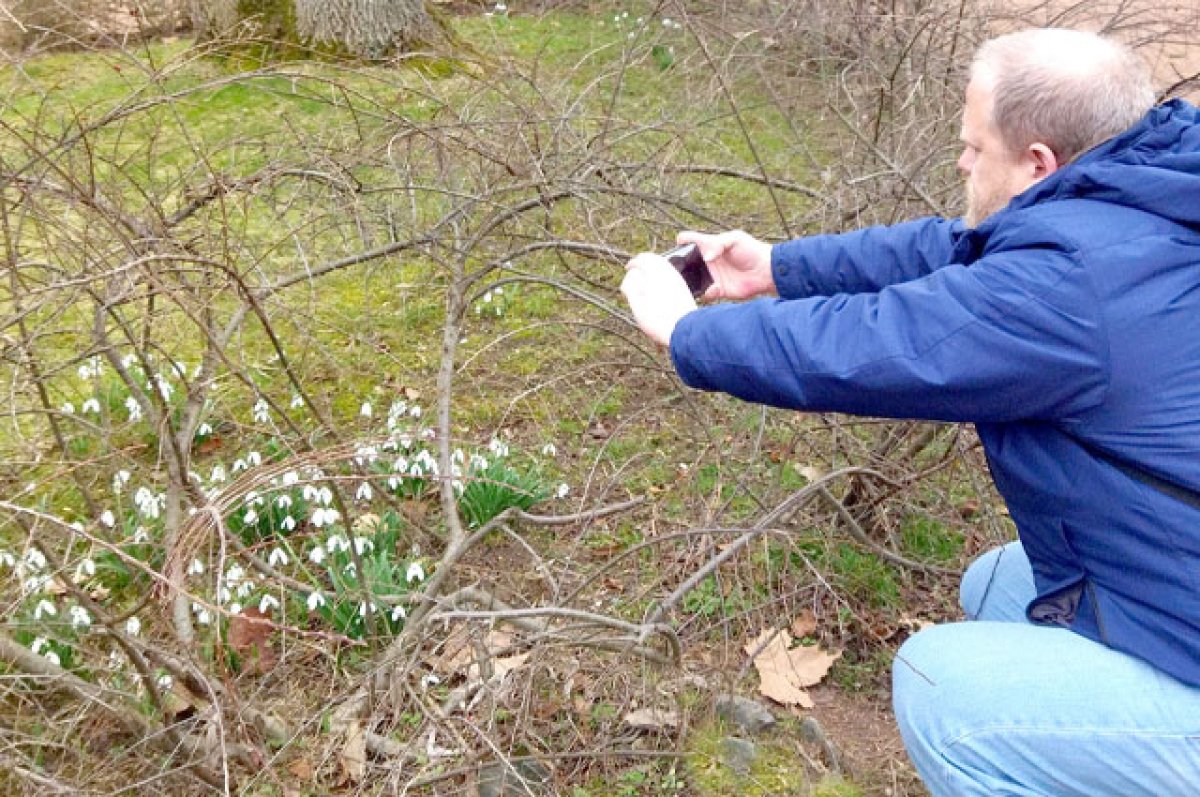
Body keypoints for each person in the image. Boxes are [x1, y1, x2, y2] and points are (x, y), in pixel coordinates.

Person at [621, 27, 1200, 797]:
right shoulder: (1142, 187)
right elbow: (957, 250)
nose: (961, 161)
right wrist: (777, 267)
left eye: (974, 146)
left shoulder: (1069, 290)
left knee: (937, 685)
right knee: (1000, 585)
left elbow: (876, 345)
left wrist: (689, 332)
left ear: (1037, 163)